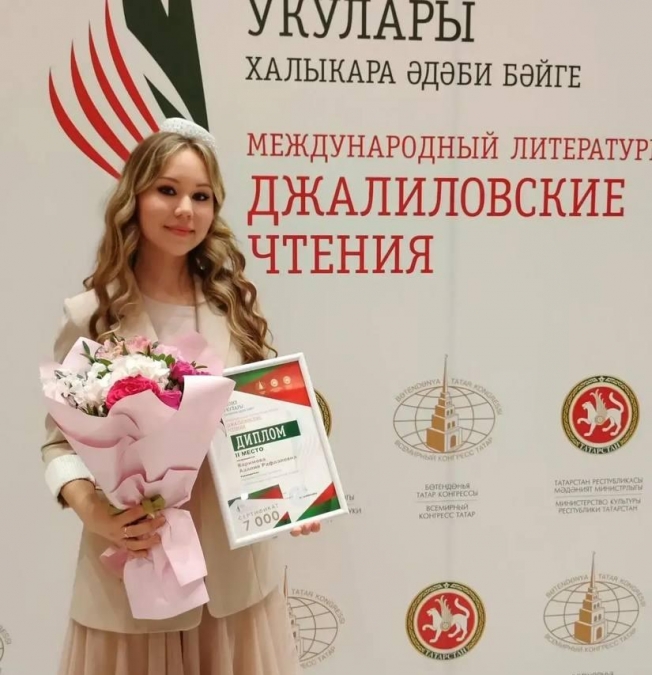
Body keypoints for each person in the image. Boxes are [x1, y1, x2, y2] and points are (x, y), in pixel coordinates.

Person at [41, 118, 320, 675]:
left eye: (202, 196)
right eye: (167, 190)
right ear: (135, 198)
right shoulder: (91, 314)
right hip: (133, 571)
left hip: (234, 582)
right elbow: (57, 445)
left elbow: (260, 418)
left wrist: (296, 494)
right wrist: (97, 515)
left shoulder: (235, 306)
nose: (185, 210)